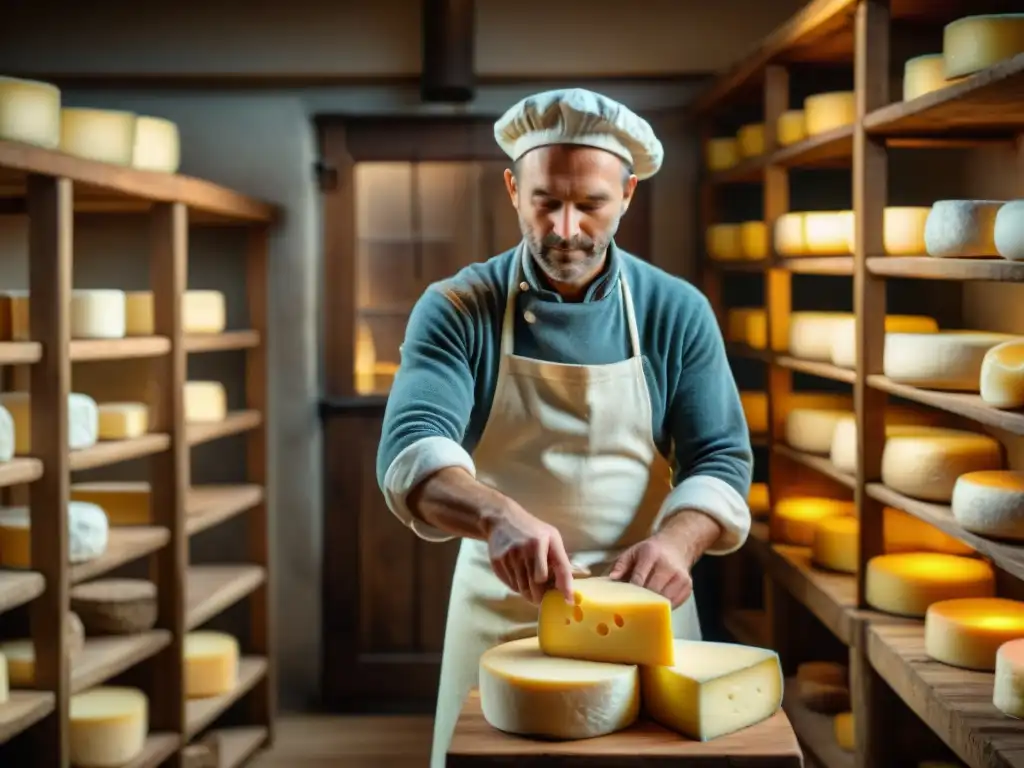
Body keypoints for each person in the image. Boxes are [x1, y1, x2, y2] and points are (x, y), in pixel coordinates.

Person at [375, 87, 753, 767]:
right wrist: (496, 518)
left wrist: (678, 542)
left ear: (629, 193)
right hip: (500, 614)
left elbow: (720, 458)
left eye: (592, 205)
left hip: (642, 609)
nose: (567, 228)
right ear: (513, 188)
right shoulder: (458, 307)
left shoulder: (676, 310)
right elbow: (409, 451)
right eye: (546, 202)